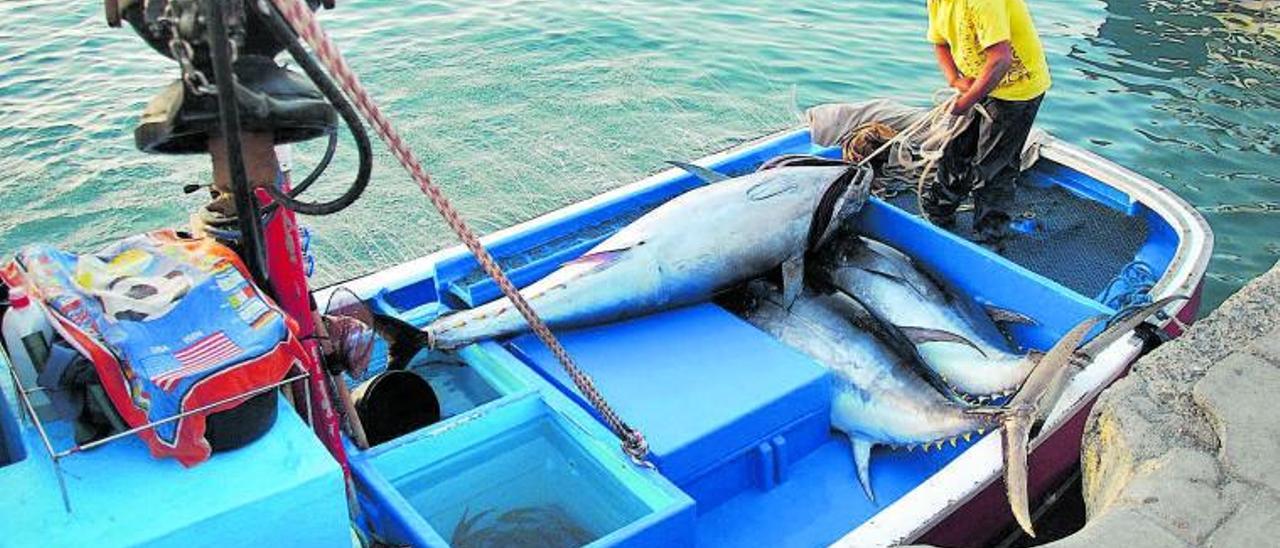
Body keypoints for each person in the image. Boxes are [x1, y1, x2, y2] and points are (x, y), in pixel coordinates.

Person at [923, 0, 1051, 250]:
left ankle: (989, 240)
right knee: (956, 149)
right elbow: (940, 43)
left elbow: (1000, 59)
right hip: (978, 84)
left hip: (1017, 90)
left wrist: (965, 103)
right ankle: (938, 214)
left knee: (992, 168)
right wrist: (955, 81)